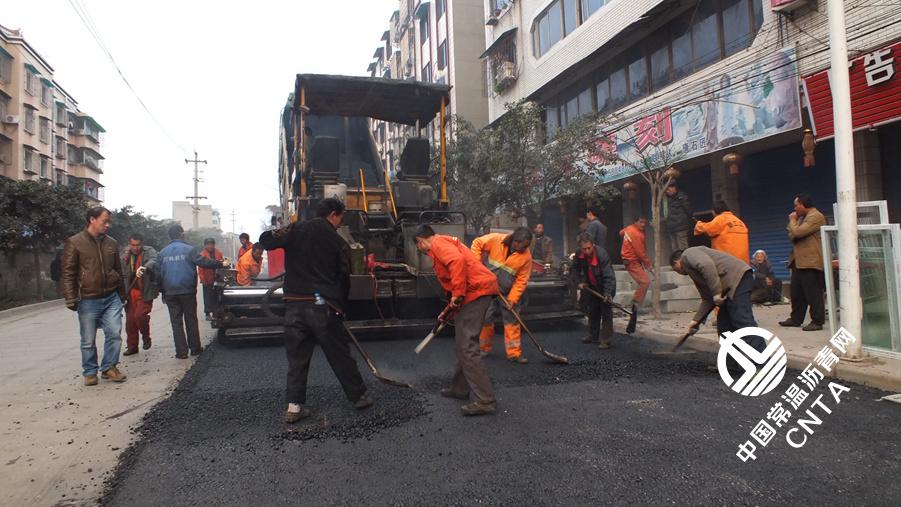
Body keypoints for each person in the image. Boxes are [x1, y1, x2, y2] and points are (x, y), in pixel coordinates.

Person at [258, 198, 372, 424]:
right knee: (339, 355)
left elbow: (266, 240)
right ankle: (358, 397)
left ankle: (294, 407)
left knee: (297, 359)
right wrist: (341, 307)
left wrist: (283, 229)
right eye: (341, 217)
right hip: (322, 307)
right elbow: (344, 278)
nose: (340, 223)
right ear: (333, 214)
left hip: (294, 307)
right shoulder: (337, 241)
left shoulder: (297, 229)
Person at [414, 224, 499, 416]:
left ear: (420, 241)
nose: (420, 250)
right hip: (473, 293)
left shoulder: (437, 243)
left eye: (418, 246)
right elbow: (455, 285)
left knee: (467, 345)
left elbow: (457, 261)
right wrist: (447, 311)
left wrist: (458, 295)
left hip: (475, 292)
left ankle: (485, 399)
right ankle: (460, 388)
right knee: (463, 344)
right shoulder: (443, 243)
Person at [61, 206, 128, 386]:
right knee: (88, 339)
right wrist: (70, 297)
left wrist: (122, 295)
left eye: (109, 222)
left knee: (114, 333)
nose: (108, 225)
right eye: (104, 221)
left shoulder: (111, 243)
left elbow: (118, 270)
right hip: (88, 299)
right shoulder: (75, 242)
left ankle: (109, 367)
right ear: (92, 219)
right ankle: (90, 372)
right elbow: (68, 272)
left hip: (111, 296)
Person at [670, 247, 765, 368]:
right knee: (724, 325)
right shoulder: (694, 272)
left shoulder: (687, 254)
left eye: (675, 270)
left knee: (742, 321)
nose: (679, 273)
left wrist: (716, 293)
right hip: (728, 287)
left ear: (676, 262)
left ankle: (762, 364)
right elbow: (707, 299)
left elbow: (706, 265)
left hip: (738, 278)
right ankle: (731, 365)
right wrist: (695, 321)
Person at [145, 225, 228, 359]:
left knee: (176, 322)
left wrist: (162, 291)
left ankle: (181, 352)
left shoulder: (163, 253)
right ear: (181, 234)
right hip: (187, 291)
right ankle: (195, 348)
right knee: (191, 319)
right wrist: (220, 264)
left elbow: (158, 273)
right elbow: (203, 262)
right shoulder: (189, 249)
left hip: (170, 292)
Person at [471, 227, 533, 364]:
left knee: (512, 321)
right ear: (515, 241)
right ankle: (484, 348)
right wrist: (475, 264)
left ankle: (514, 353)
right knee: (485, 317)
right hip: (488, 288)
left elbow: (522, 280)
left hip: (507, 291)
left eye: (526, 247)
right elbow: (477, 243)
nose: (523, 250)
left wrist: (512, 299)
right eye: (521, 246)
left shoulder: (526, 257)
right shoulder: (496, 240)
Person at [779, 193, 827, 331]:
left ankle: (817, 321)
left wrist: (793, 222)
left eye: (796, 205)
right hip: (798, 260)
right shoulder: (802, 218)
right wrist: (795, 226)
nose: (794, 209)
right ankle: (796, 318)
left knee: (813, 293)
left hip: (810, 261)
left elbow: (798, 233)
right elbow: (792, 234)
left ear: (802, 204)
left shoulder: (815, 216)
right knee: (797, 292)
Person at [572, 233, 616, 349]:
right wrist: (579, 282)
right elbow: (575, 269)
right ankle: (593, 335)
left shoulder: (602, 255)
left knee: (606, 312)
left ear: (593, 245)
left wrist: (607, 293)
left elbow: (608, 276)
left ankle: (606, 340)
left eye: (589, 248)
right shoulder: (578, 254)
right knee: (593, 310)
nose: (586, 251)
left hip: (605, 285)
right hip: (591, 285)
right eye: (584, 249)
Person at [121, 234, 158, 356]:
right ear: (129, 244)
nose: (135, 248)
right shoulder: (126, 254)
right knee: (130, 321)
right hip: (130, 292)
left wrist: (145, 267)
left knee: (140, 316)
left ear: (142, 244)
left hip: (145, 290)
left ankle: (146, 337)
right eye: (133, 245)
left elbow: (154, 260)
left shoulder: (149, 251)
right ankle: (132, 347)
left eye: (138, 245)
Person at [620, 216, 652, 307]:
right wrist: (648, 265)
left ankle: (636, 304)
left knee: (642, 282)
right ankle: (635, 304)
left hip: (629, 259)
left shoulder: (629, 229)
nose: (643, 224)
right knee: (645, 282)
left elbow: (620, 233)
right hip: (632, 260)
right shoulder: (637, 234)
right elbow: (640, 252)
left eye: (644, 222)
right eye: (641, 222)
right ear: (635, 222)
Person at [661, 182, 693, 255]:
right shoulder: (666, 199)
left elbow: (688, 211)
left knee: (683, 248)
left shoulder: (681, 197)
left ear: (674, 188)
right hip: (671, 227)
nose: (667, 191)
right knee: (675, 248)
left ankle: (686, 263)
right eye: (666, 190)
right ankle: (678, 263)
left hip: (681, 226)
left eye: (669, 189)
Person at [198, 238, 223, 320]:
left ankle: (217, 312)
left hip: (217, 278)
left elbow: (222, 264)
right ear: (205, 245)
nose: (210, 246)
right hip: (207, 279)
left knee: (217, 296)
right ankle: (207, 313)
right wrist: (203, 280)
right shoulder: (202, 255)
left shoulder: (218, 253)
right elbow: (200, 269)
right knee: (207, 297)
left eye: (212, 244)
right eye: (208, 244)